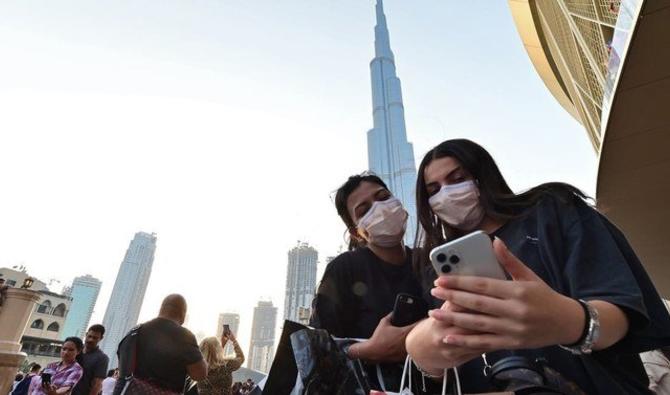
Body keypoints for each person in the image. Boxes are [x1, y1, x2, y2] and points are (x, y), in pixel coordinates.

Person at [405, 139, 670, 394]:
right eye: (434, 190)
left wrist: (568, 320)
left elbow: (622, 313)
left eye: (457, 179)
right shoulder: (436, 270)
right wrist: (425, 354)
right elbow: (447, 365)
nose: (446, 194)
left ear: (482, 175)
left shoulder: (552, 210)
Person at [309, 173, 426, 390]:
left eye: (383, 197)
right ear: (356, 233)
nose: (380, 209)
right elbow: (315, 346)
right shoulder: (344, 268)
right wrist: (370, 350)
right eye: (364, 211)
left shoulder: (427, 261)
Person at [113, 294, 207, 395]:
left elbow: (122, 368)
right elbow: (200, 374)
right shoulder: (185, 337)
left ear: (161, 309)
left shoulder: (134, 332)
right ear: (183, 314)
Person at [197, 331, 245, 395]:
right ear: (218, 349)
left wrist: (222, 345)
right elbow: (240, 358)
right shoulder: (226, 366)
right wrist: (234, 340)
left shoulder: (198, 370)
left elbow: (213, 357)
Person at [71, 324, 109, 395]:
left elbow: (97, 385)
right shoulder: (75, 351)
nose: (91, 340)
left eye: (95, 338)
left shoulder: (102, 358)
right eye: (89, 336)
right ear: (86, 334)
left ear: (101, 338)